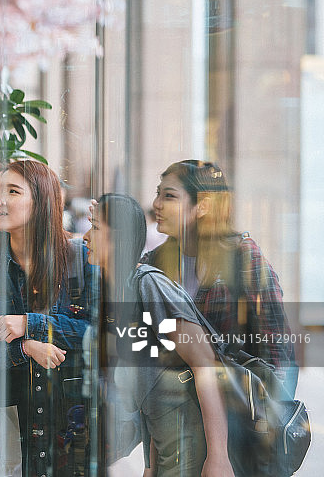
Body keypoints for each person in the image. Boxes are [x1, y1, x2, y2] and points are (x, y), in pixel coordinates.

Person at [0, 160, 97, 477]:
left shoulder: (80, 259)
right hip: (9, 426)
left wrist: (29, 323)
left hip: (73, 426)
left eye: (12, 191)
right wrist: (25, 349)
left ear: (42, 202)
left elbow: (99, 333)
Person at [84, 193, 234, 477]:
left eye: (95, 227)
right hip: (168, 452)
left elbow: (205, 364)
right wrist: (150, 465)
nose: (85, 237)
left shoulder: (149, 285)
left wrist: (218, 458)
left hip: (191, 450)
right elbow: (154, 385)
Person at [142, 160, 297, 396]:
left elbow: (276, 347)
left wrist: (269, 417)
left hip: (235, 407)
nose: (156, 205)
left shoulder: (243, 256)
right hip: (175, 411)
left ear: (202, 206)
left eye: (169, 196)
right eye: (158, 194)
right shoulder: (155, 261)